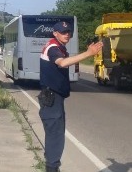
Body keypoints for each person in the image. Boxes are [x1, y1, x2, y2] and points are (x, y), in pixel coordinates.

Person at [39, 21, 103, 172]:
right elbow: (62, 63)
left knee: (55, 133)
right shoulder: (53, 48)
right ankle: (52, 167)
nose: (67, 34)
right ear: (55, 33)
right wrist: (88, 53)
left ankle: (52, 164)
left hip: (55, 97)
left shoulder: (58, 46)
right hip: (52, 97)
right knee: (56, 134)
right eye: (63, 32)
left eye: (68, 32)